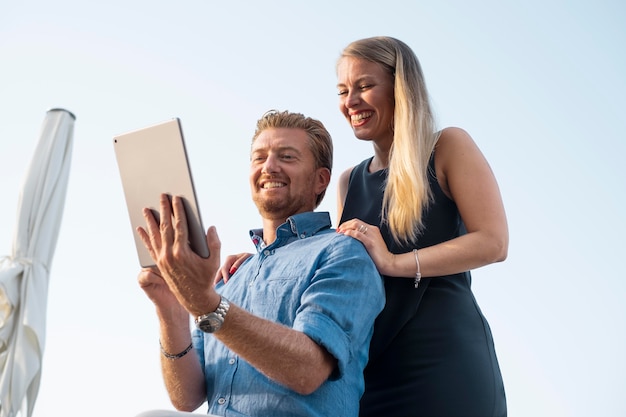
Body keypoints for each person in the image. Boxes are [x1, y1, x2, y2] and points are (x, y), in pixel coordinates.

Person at [135, 110, 385, 417]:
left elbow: (307, 371)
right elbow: (186, 397)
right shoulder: (228, 278)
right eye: (259, 157)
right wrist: (171, 308)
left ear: (320, 180)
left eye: (287, 156)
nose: (269, 167)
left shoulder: (343, 253)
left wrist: (206, 304)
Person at [334, 36, 509, 416]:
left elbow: (494, 242)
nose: (350, 102)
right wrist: (258, 260)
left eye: (364, 86)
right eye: (343, 90)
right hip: (371, 374)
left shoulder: (447, 146)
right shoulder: (349, 182)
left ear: (401, 88)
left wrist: (395, 263)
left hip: (445, 363)